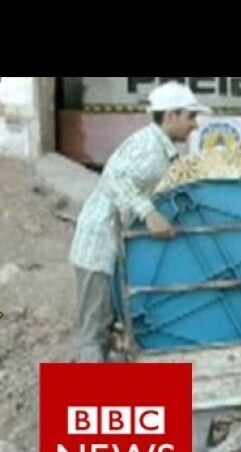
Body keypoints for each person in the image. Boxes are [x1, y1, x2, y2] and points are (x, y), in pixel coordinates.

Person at [69, 81, 212, 362]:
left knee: (108, 326)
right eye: (190, 116)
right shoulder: (150, 149)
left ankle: (105, 381)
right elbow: (114, 179)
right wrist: (149, 214)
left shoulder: (159, 147)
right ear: (170, 115)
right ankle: (85, 386)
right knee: (93, 331)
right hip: (98, 245)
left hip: (112, 244)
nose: (195, 125)